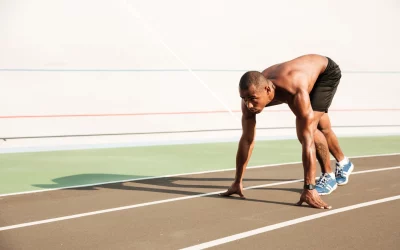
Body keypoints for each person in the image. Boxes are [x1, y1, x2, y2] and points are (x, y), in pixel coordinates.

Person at [219, 54, 354, 209]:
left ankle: (328, 175)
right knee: (321, 125)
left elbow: (307, 140)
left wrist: (308, 188)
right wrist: (237, 181)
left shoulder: (294, 91)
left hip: (325, 73)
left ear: (268, 89)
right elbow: (247, 140)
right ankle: (344, 162)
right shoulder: (253, 96)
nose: (249, 105)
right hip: (302, 77)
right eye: (244, 99)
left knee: (309, 129)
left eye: (252, 99)